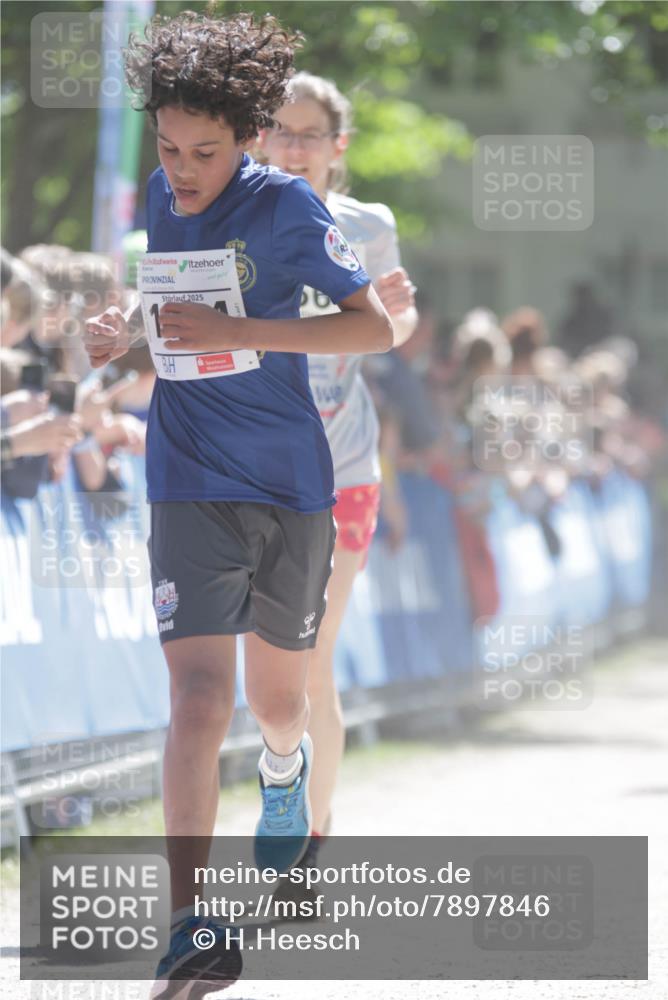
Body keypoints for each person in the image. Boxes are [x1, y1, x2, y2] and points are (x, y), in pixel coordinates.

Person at [83, 11, 392, 996]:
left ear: (249, 139)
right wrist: (121, 341)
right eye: (169, 147)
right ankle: (186, 921)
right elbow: (174, 335)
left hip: (290, 483)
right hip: (184, 476)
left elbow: (371, 330)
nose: (181, 169)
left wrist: (244, 326)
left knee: (278, 702)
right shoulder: (160, 199)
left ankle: (285, 768)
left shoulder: (289, 211)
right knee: (198, 700)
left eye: (204, 152)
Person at [258, 71, 417, 864]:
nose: (293, 146)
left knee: (313, 656)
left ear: (336, 146)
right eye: (280, 130)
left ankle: (308, 837)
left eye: (309, 133)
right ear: (258, 136)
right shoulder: (228, 219)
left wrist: (393, 313)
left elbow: (402, 314)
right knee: (258, 664)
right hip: (248, 468)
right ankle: (279, 778)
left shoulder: (367, 223)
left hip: (343, 463)